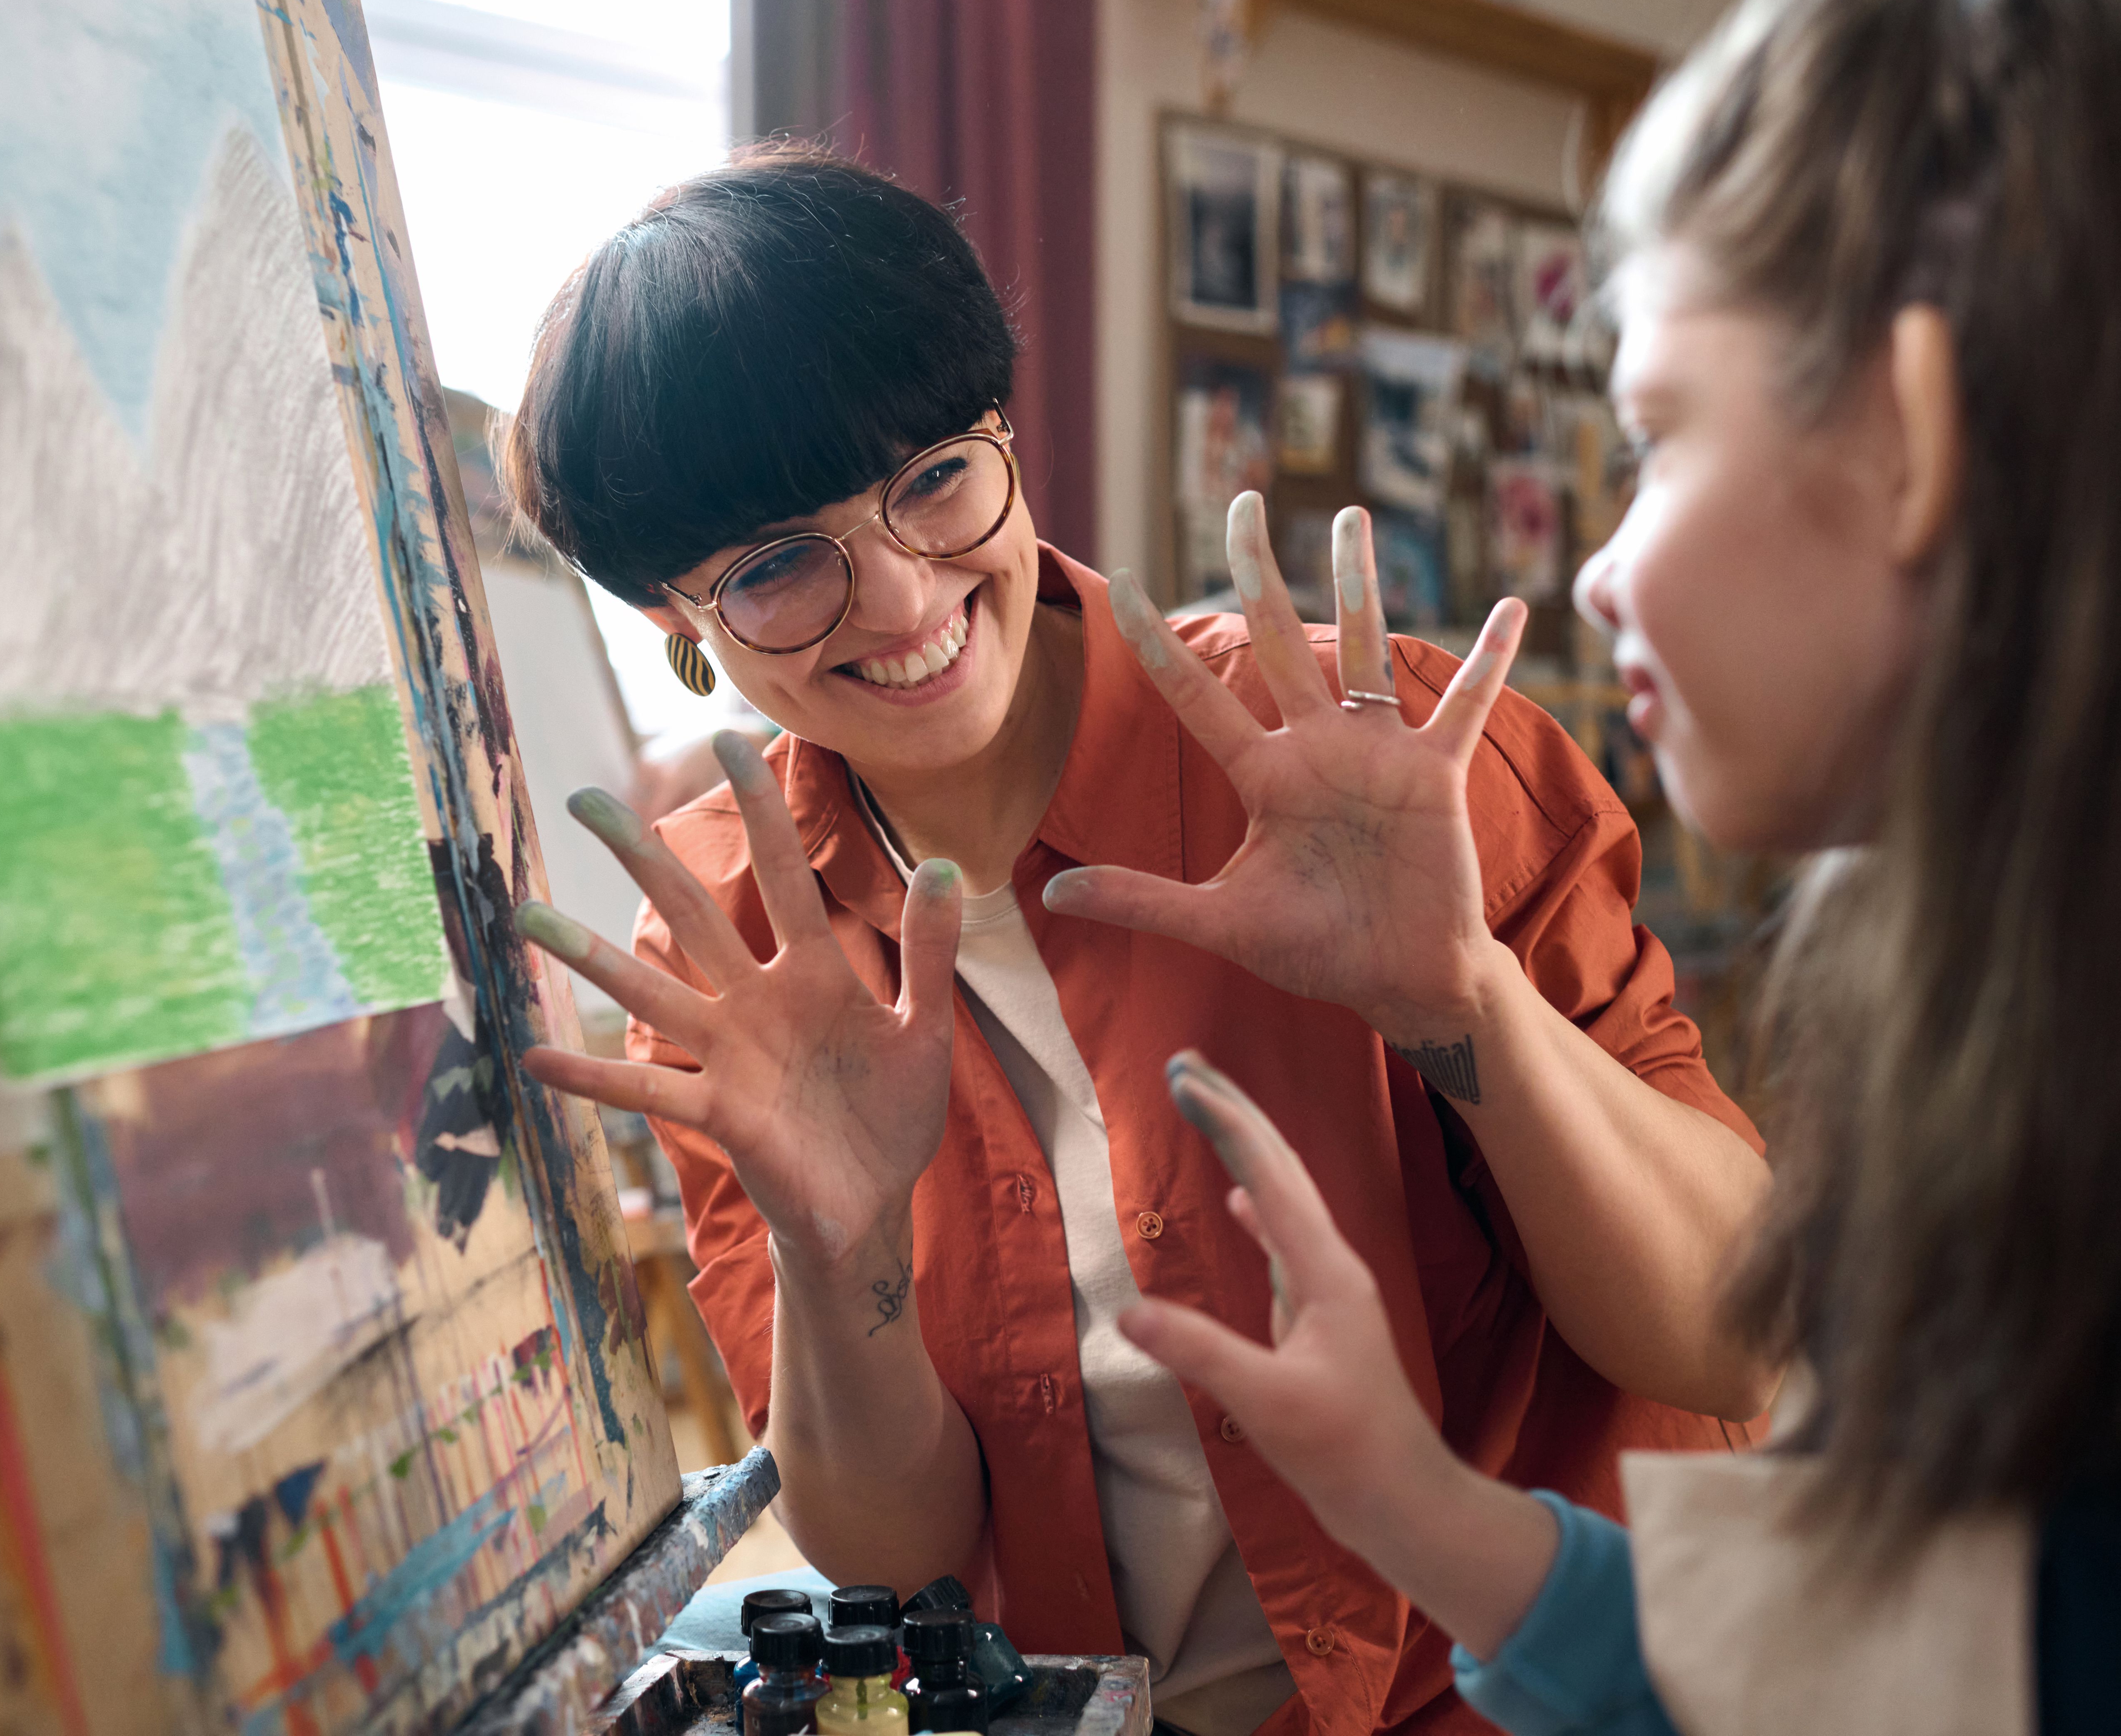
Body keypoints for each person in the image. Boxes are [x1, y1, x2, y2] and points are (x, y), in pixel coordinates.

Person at [1106, 0, 2121, 1731]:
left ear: (1912, 435)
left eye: (1654, 433)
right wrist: (1414, 1505)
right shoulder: (2079, 1042)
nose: (1598, 564)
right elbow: (1914, 1667)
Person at [500, 145, 1777, 1736]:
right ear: (678, 625)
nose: (900, 599)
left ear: (1007, 436)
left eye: (935, 480)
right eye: (775, 566)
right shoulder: (733, 955)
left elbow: (1737, 1338)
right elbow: (898, 1554)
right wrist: (845, 1263)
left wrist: (1466, 1006)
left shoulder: (1383, 761)